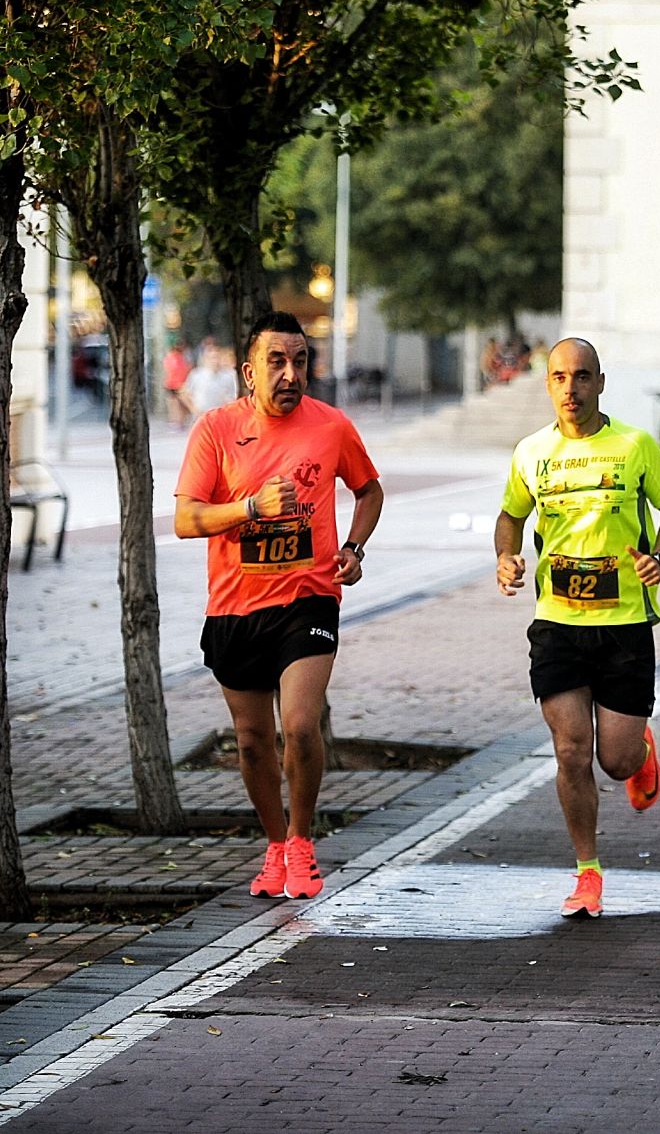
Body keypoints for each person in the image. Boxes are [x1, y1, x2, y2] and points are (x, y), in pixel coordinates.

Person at [175, 311, 384, 899]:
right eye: (277, 362)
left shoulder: (332, 426)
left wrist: (353, 547)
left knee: (299, 723)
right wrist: (250, 509)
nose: (290, 374)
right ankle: (273, 845)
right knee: (251, 740)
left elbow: (368, 490)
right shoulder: (216, 430)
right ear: (249, 372)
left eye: (299, 362)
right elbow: (186, 519)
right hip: (235, 608)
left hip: (308, 600)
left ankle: (300, 840)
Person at [495, 337, 660, 919]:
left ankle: (640, 753)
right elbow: (511, 515)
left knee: (617, 762)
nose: (570, 389)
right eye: (559, 377)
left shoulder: (634, 446)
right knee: (571, 750)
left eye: (581, 377)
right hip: (557, 623)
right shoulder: (531, 452)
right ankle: (587, 872)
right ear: (548, 384)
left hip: (626, 624)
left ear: (599, 383)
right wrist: (506, 558)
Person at [183, 344, 238, 423]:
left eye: (217, 357)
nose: (214, 360)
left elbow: (234, 396)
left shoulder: (228, 376)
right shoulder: (196, 374)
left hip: (220, 417)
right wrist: (193, 409)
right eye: (212, 357)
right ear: (205, 359)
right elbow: (184, 393)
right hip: (201, 417)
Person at [162, 341, 193, 429]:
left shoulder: (171, 358)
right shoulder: (179, 358)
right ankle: (178, 421)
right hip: (177, 383)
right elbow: (181, 370)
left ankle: (176, 421)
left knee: (175, 404)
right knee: (177, 404)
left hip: (173, 383)